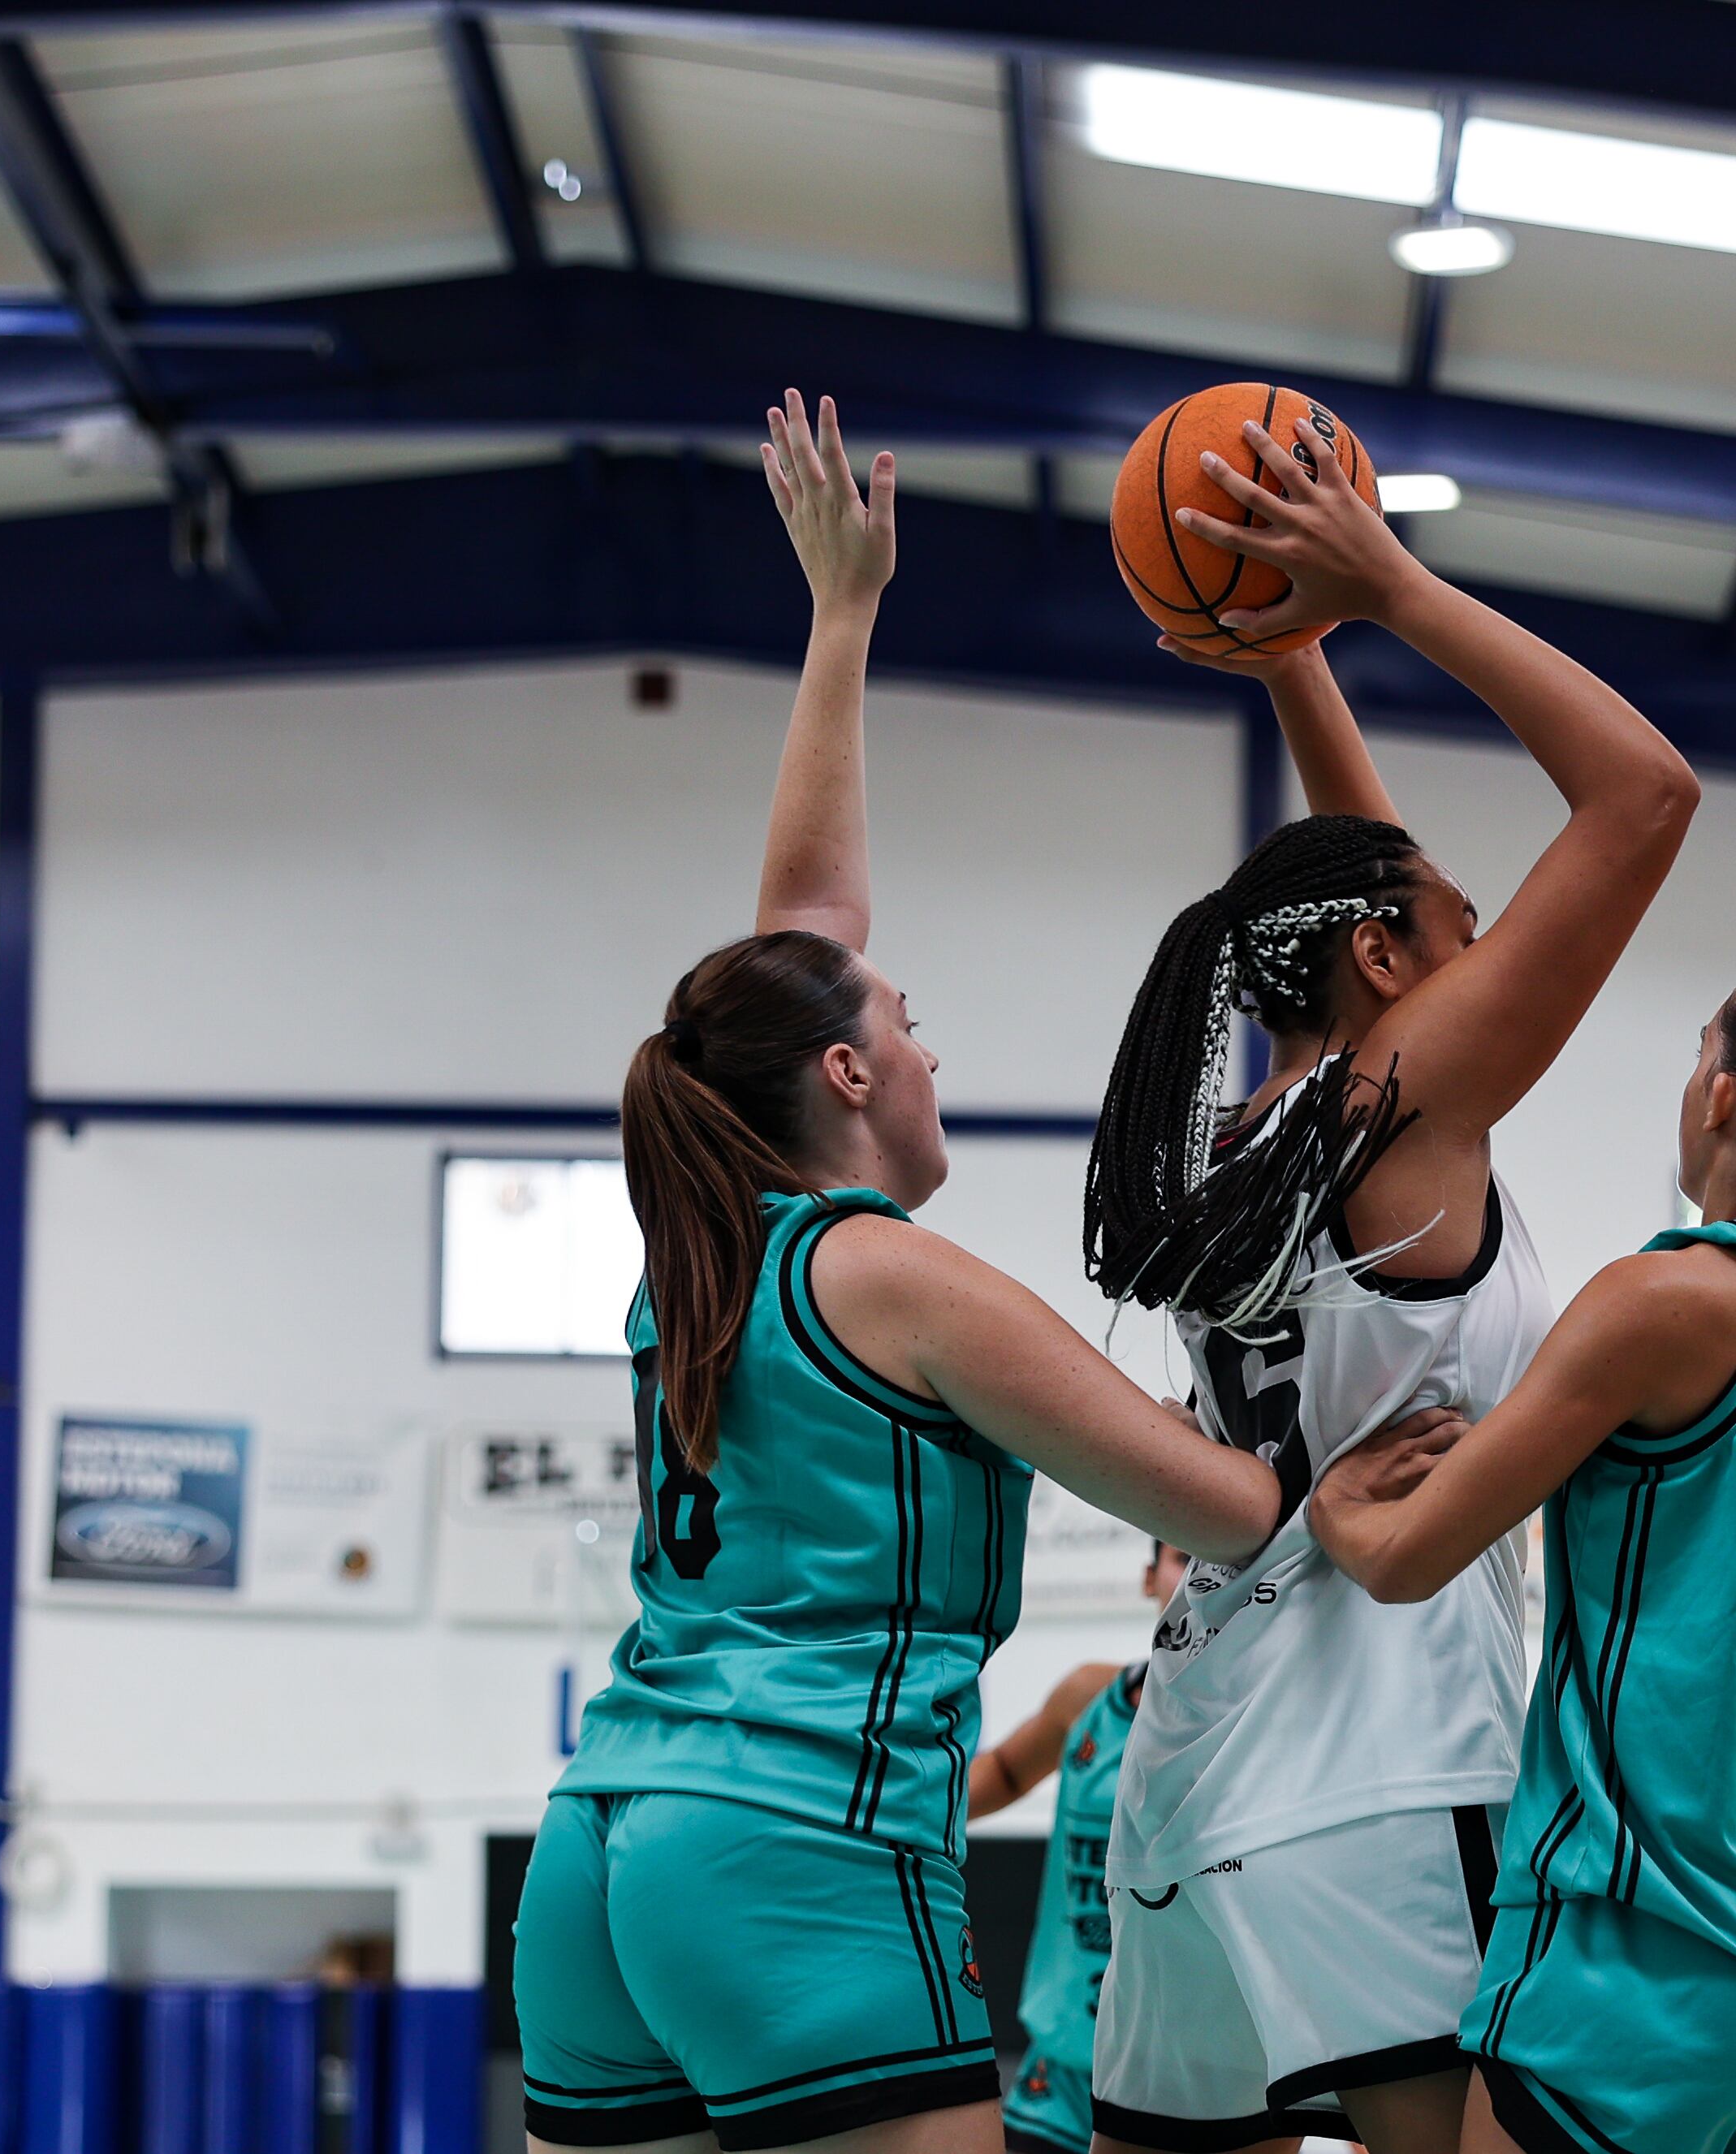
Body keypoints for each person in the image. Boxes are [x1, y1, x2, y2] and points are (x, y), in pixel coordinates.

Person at [512, 395, 1375, 2154]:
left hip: (600, 1835)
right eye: (901, 1021)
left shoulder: (698, 1259)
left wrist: (841, 617)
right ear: (844, 1075)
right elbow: (1224, 1507)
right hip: (799, 1839)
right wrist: (1363, 1450)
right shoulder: (892, 1279)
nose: (925, 1038)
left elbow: (803, 932)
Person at [1080, 419, 1700, 2154]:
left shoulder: (1235, 1146)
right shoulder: (1393, 1117)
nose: (1489, 958)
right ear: (1378, 960)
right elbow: (1646, 795)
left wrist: (1295, 656)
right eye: (1464, 929)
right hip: (1382, 1777)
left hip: (1191, 1776)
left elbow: (1370, 867)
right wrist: (1392, 589)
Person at [1306, 521, 1736, 2154]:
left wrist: (1329, 1501)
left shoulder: (1666, 1304)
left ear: (1718, 1096)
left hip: (1635, 1952)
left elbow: (1408, 1558)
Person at [974, 1543, 1294, 2154]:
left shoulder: (1278, 1717)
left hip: (1202, 2073)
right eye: (1183, 1554)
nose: (1205, 1569)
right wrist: (873, 1816)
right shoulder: (1088, 1696)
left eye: (1227, 1556)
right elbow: (1005, 1773)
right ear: (1149, 1578)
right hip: (1063, 2069)